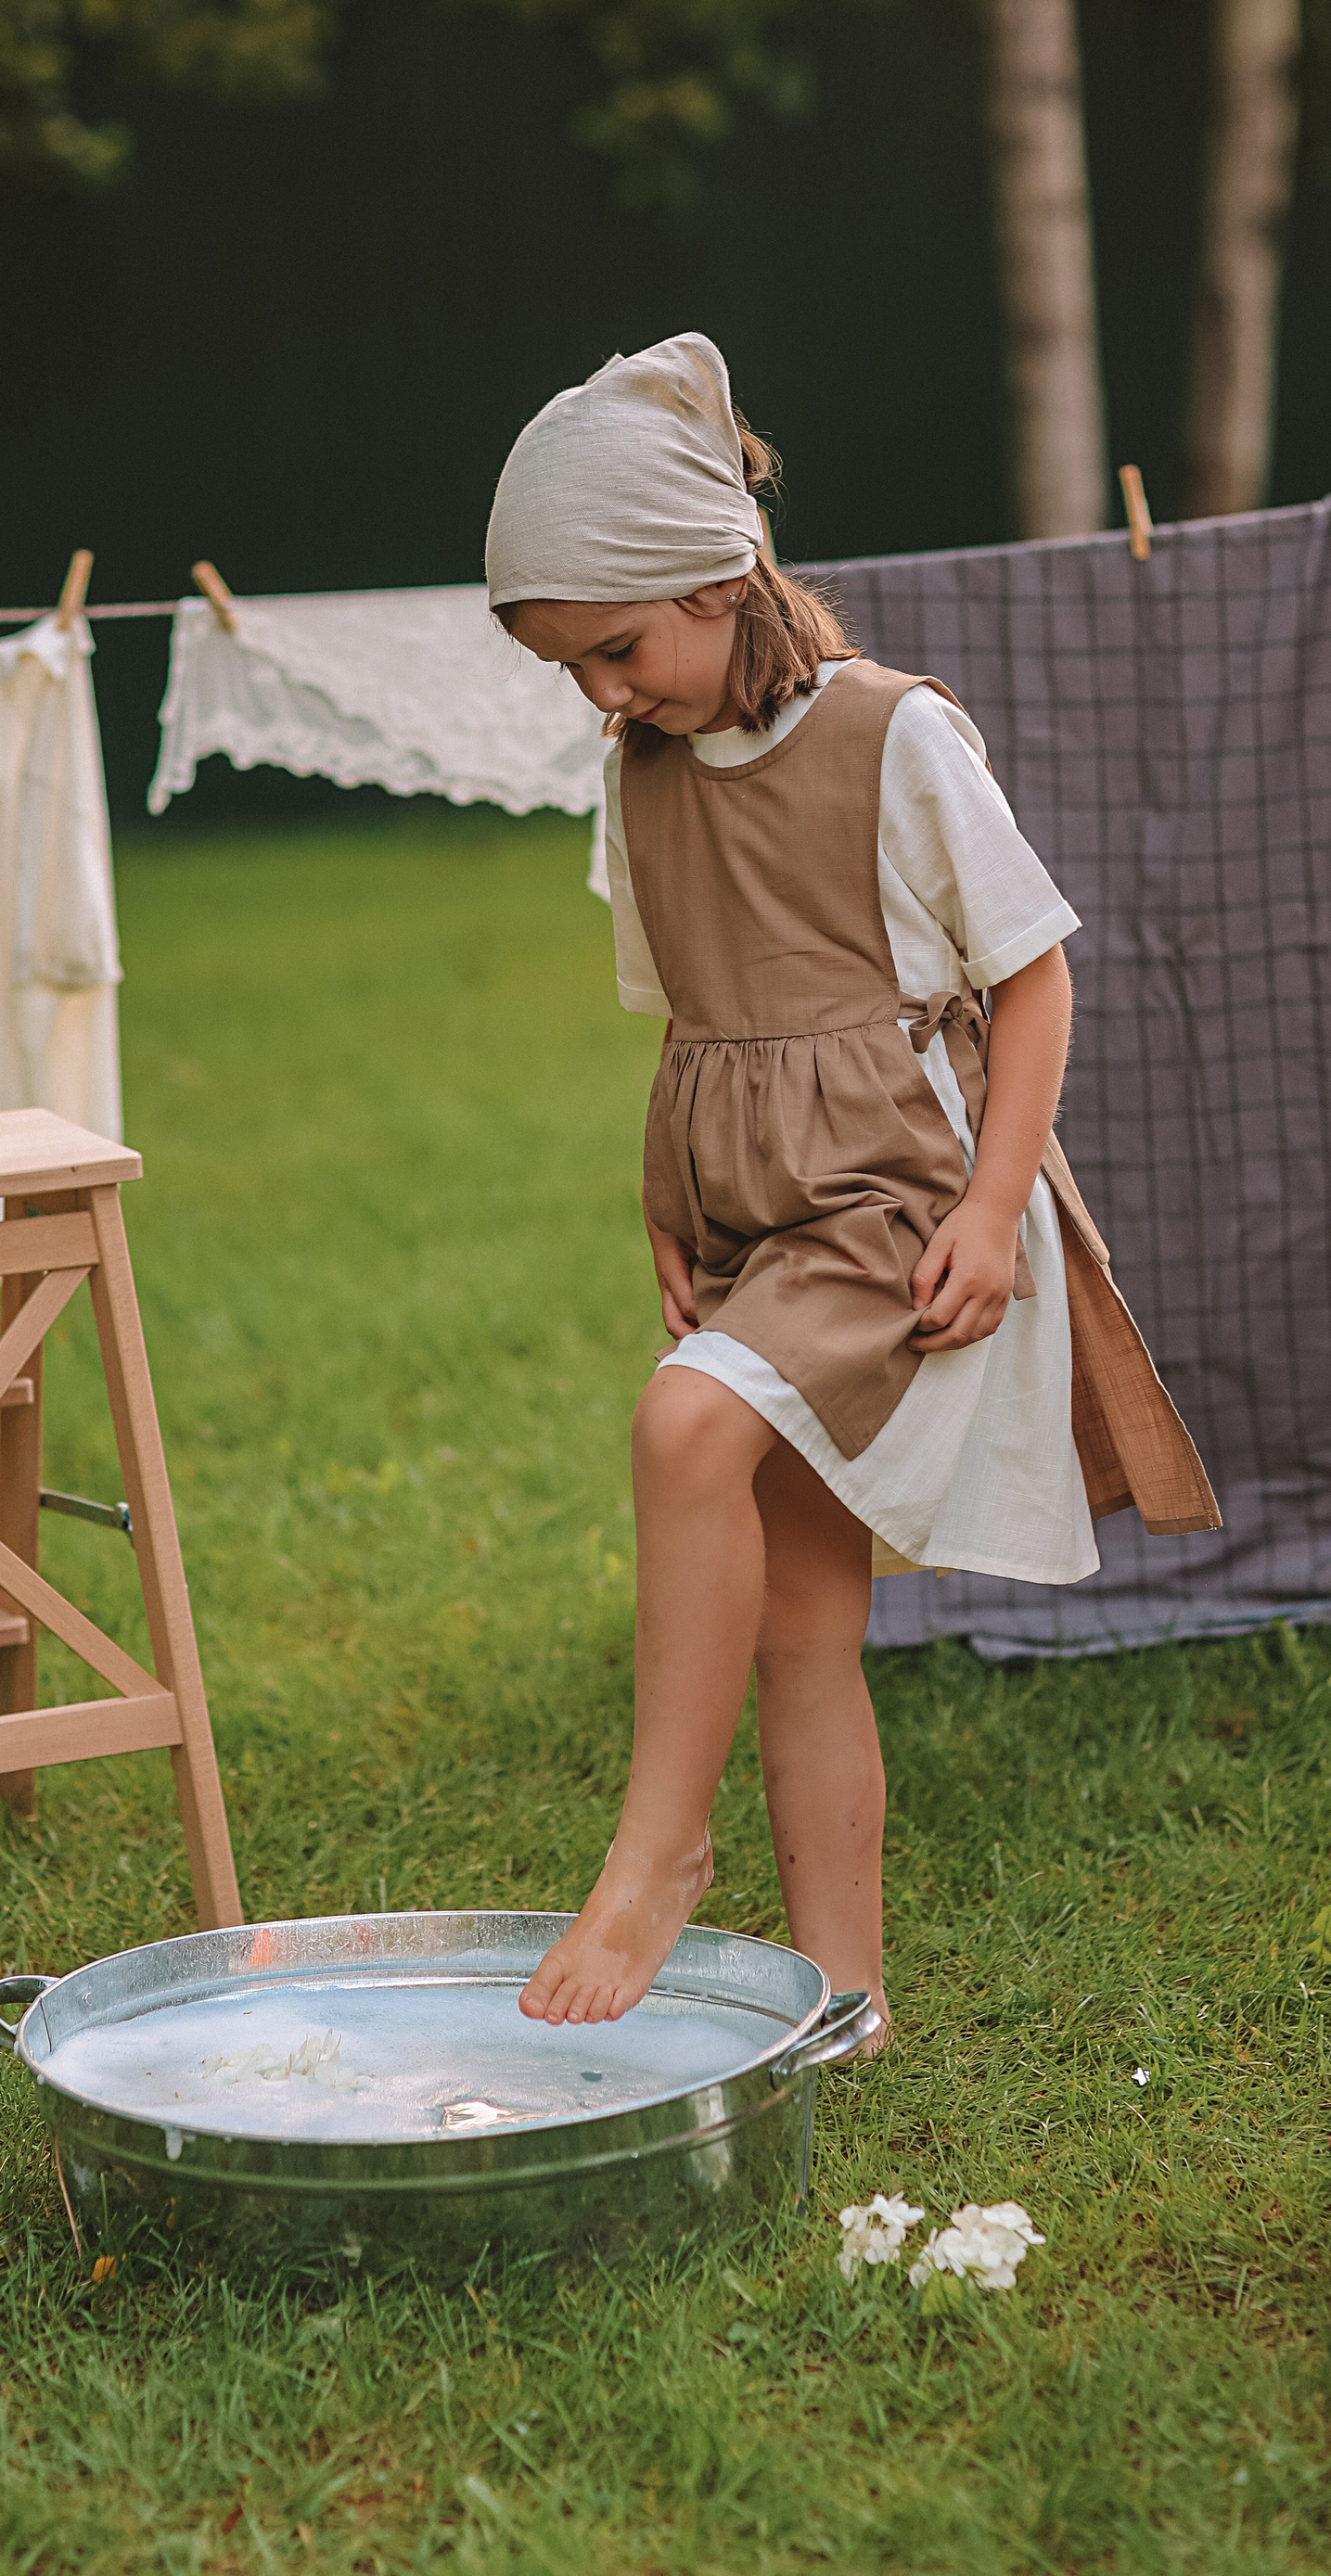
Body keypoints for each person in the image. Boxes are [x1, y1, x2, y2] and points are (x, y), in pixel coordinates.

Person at [486, 334, 1218, 2038]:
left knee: (684, 1429)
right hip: (750, 1220)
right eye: (568, 670)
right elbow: (695, 1018)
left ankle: (661, 1852)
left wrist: (993, 1210)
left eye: (617, 649)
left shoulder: (896, 738)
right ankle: (845, 1998)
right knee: (804, 1622)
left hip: (891, 1199)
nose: (603, 696)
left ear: (718, 575)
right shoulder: (643, 772)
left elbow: (1032, 977)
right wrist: (664, 1200)